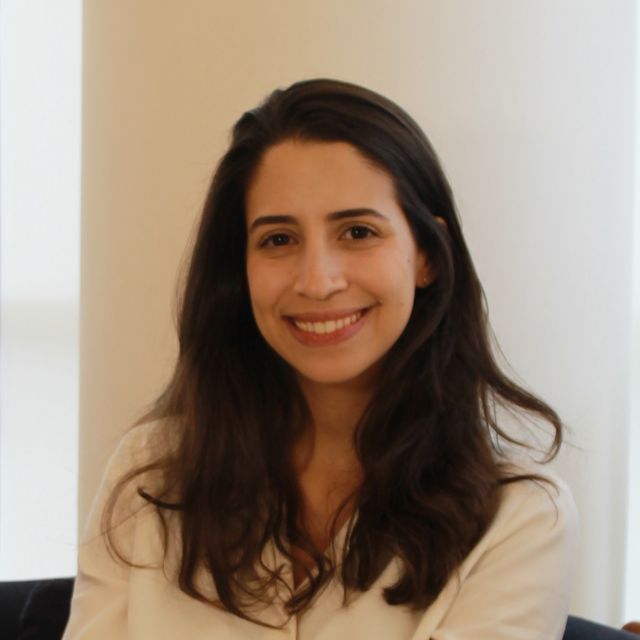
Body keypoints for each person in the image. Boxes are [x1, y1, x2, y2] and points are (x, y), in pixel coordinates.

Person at [62, 78, 578, 639]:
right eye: (279, 240)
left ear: (427, 254)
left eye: (357, 231)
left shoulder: (520, 518)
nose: (317, 281)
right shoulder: (150, 471)